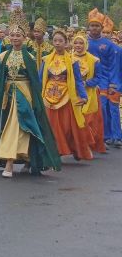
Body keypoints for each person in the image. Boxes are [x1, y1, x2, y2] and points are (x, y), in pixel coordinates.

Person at [0, 13, 62, 177]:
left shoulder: (28, 57)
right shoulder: (3, 56)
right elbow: (0, 79)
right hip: (9, 97)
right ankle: (21, 160)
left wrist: (36, 100)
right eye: (12, 35)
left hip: (24, 96)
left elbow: (34, 82)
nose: (15, 38)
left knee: (20, 128)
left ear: (24, 37)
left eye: (18, 35)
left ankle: (10, 162)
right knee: (16, 127)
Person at [40, 28, 92, 163]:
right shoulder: (46, 60)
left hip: (66, 97)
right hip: (48, 98)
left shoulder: (73, 61)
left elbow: (78, 80)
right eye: (55, 40)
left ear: (66, 43)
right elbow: (40, 80)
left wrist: (84, 96)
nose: (57, 43)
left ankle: (75, 149)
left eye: (60, 41)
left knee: (68, 127)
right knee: (51, 127)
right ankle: (55, 151)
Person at [84, 9, 121, 148]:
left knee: (108, 108)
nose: (94, 28)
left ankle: (113, 136)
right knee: (91, 110)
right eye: (92, 25)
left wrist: (113, 83)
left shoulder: (110, 46)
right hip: (88, 81)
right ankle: (96, 137)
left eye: (97, 26)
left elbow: (114, 66)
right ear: (88, 27)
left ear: (101, 27)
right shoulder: (82, 43)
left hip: (106, 81)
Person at [70, 32, 108, 155]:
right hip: (73, 93)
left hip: (90, 93)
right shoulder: (68, 58)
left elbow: (99, 77)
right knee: (74, 120)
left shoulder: (93, 60)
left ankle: (87, 145)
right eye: (76, 43)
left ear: (85, 44)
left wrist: (87, 83)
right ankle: (76, 146)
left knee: (88, 120)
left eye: (81, 43)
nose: (78, 45)